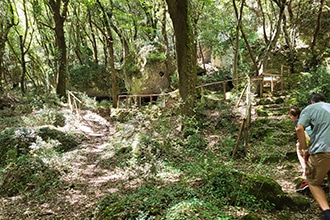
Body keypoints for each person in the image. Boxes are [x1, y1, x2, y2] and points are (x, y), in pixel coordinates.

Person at [296, 93, 330, 220]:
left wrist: (305, 149)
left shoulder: (310, 109)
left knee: (313, 182)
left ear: (312, 102)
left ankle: (327, 214)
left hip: (323, 150)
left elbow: (299, 129)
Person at [289, 107, 311, 192]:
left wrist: (303, 147)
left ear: (295, 115)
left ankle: (305, 171)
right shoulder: (305, 120)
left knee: (300, 151)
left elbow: (300, 132)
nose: (290, 117)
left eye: (291, 115)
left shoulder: (297, 123)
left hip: (307, 141)